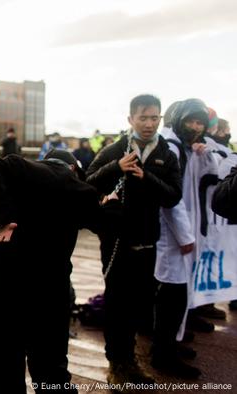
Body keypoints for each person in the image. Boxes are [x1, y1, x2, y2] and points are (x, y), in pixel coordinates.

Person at [0, 149, 100, 394]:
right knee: (50, 371)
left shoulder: (22, 171)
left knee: (3, 372)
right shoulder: (70, 182)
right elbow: (106, 220)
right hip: (48, 294)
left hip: (3, 291)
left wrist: (2, 218)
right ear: (73, 169)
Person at [86, 94, 182, 388]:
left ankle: (129, 361)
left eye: (155, 118)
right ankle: (118, 365)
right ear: (130, 119)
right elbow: (87, 184)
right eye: (144, 117)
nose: (150, 124)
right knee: (117, 305)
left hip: (149, 243)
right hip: (116, 243)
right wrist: (116, 167)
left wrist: (145, 176)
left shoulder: (166, 153)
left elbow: (173, 196)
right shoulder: (115, 149)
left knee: (140, 306)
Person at [153, 98, 212, 379]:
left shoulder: (181, 145)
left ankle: (170, 345)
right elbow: (171, 199)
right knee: (171, 295)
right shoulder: (172, 147)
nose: (196, 127)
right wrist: (185, 235)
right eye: (191, 121)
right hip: (172, 234)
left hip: (179, 231)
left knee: (176, 294)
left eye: (200, 123)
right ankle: (163, 354)